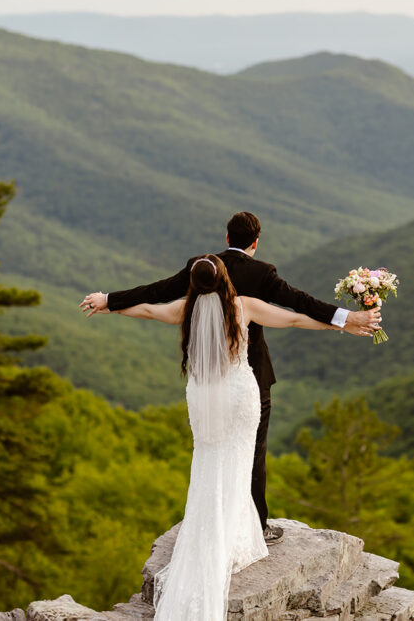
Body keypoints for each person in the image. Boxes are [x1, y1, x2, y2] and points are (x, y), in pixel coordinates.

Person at [97, 254, 374, 620]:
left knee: (209, 458)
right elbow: (293, 318)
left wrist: (109, 306)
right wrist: (344, 326)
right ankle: (235, 531)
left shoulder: (186, 309)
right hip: (241, 397)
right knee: (240, 462)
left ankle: (211, 524)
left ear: (195, 285)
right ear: (225, 279)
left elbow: (148, 309)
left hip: (204, 397)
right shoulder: (243, 306)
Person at [79, 212, 380, 544]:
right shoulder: (260, 277)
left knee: (212, 448)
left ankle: (213, 520)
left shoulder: (201, 268)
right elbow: (299, 307)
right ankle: (257, 526)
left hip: (207, 380)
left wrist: (109, 301)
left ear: (226, 238)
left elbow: (157, 294)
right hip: (248, 378)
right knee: (253, 450)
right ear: (255, 242)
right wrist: (347, 319)